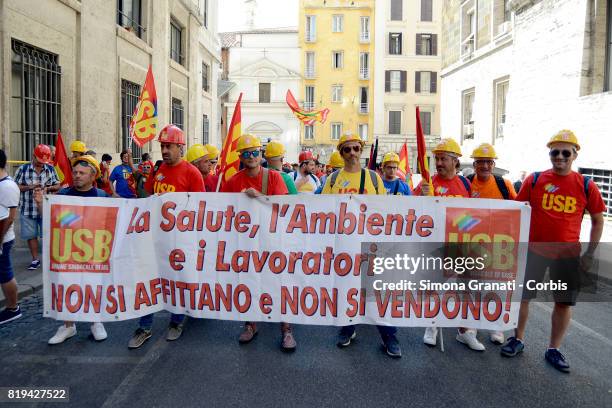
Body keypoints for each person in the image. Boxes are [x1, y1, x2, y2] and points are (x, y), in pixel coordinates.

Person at [501, 130, 606, 373]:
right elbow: (516, 212)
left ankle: (553, 349)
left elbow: (598, 221)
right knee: (523, 298)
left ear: (574, 155)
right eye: (554, 152)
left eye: (565, 152)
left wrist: (590, 254)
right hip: (533, 251)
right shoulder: (535, 180)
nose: (559, 157)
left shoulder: (586, 185)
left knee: (563, 303)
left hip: (567, 255)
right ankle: (517, 339)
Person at [321, 133, 401, 358]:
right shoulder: (333, 180)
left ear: (361, 150)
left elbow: (384, 211)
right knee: (348, 290)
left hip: (371, 246)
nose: (353, 153)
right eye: (347, 149)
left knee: (377, 293)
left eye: (356, 148)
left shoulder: (374, 179)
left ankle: (389, 336)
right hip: (345, 244)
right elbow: (322, 210)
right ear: (341, 153)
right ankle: (348, 328)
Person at [128, 125, 206, 349]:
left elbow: (200, 207)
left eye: (168, 146)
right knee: (150, 280)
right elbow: (150, 196)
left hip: (180, 239)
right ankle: (144, 327)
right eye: (162, 146)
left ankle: (176, 321)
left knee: (177, 280)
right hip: (155, 237)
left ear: (180, 147)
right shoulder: (157, 169)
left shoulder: (191, 173)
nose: (164, 150)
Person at [221, 134, 295, 350]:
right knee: (249, 282)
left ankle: (286, 329)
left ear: (261, 154)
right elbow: (224, 210)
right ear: (241, 157)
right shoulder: (234, 181)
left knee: (280, 283)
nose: (251, 156)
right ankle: (251, 324)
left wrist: (259, 196)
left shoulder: (273, 178)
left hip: (273, 240)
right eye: (246, 153)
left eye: (254, 152)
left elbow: (282, 208)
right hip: (245, 241)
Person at [414, 138, 485, 351]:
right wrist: (422, 198)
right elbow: (408, 209)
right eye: (436, 158)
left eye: (443, 158)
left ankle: (464, 331)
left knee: (465, 289)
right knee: (435, 287)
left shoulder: (465, 184)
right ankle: (432, 326)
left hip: (462, 245)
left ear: (455, 161)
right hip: (435, 244)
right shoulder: (428, 183)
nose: (438, 163)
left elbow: (472, 215)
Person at [47, 155, 109, 344]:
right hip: (67, 251)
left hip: (94, 251)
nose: (77, 176)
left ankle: (96, 321)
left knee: (93, 286)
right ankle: (68, 326)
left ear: (93, 176)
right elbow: (52, 219)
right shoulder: (63, 195)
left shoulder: (102, 197)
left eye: (82, 173)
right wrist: (43, 204)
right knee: (67, 286)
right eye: (75, 172)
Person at [466, 143, 517, 345]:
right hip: (473, 244)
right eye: (480, 162)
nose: (485, 166)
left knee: (495, 287)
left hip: (498, 244)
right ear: (475, 164)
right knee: (473, 287)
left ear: (493, 164)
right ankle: (470, 325)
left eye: (488, 162)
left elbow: (518, 208)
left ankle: (496, 327)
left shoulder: (504, 185)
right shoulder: (467, 183)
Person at [14, 144, 60, 270]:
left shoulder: (50, 169)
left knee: (49, 235)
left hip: (45, 209)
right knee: (31, 235)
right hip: (27, 209)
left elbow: (58, 185)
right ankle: (35, 260)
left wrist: (48, 188)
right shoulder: (23, 169)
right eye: (39, 161)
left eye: (43, 162)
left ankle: (50, 260)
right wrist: (30, 187)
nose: (41, 164)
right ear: (33, 156)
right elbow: (14, 186)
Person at [0, 149, 22, 325]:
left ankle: (13, 308)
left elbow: (9, 218)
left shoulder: (7, 186)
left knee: (5, 273)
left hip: (3, 239)